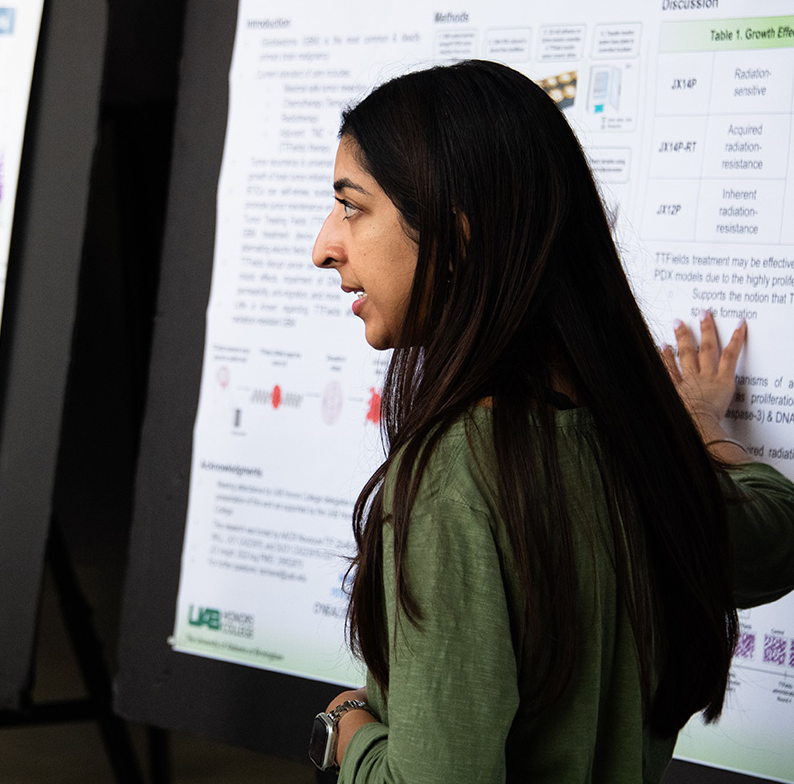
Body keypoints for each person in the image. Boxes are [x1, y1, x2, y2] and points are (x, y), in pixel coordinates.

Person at [308, 59, 794, 782]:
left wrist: (347, 729)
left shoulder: (454, 475)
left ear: (456, 238)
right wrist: (697, 423)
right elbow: (777, 528)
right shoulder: (638, 446)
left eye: (352, 205)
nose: (324, 246)